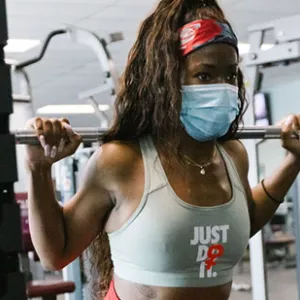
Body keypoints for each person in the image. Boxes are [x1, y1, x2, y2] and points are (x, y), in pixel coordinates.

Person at [25, 0, 300, 299]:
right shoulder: (121, 161)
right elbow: (56, 254)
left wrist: (292, 162)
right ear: (166, 79)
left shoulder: (233, 155)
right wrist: (39, 169)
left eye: (231, 75)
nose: (223, 87)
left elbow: (234, 223)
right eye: (205, 75)